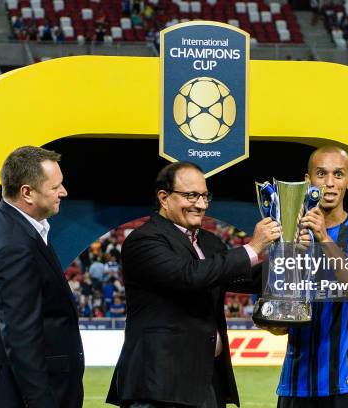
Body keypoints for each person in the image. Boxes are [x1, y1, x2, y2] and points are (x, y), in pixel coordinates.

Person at [106, 161, 280, 408]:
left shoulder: (210, 243)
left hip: (205, 383)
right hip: (159, 386)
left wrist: (289, 258)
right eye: (191, 195)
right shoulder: (144, 240)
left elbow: (245, 277)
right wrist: (252, 248)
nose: (201, 204)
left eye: (204, 195)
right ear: (164, 198)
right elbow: (188, 276)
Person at [0, 146, 84, 408]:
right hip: (12, 393)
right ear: (27, 192)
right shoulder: (13, 245)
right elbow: (21, 336)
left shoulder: (12, 226)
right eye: (55, 187)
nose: (63, 192)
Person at [273, 146, 348, 408]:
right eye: (321, 173)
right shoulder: (285, 234)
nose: (329, 183)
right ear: (307, 180)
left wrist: (324, 239)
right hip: (295, 386)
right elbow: (274, 323)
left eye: (338, 175)